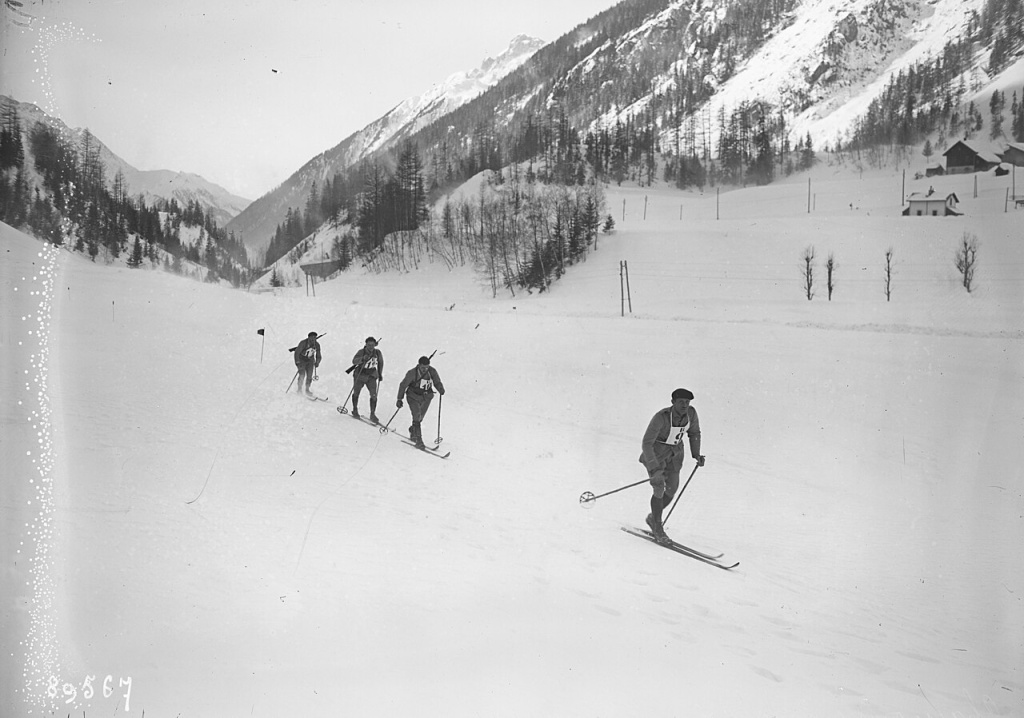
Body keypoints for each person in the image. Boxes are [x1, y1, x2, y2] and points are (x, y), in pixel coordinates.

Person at [639, 388, 704, 544]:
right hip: (656, 454)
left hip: (675, 455)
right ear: (673, 402)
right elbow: (647, 443)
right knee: (659, 487)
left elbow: (694, 433)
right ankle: (658, 528)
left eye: (687, 402)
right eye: (681, 402)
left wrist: (697, 454)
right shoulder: (661, 418)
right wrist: (654, 468)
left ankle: (653, 518)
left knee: (672, 489)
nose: (684, 405)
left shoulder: (691, 414)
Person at [396, 355, 445, 448]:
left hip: (426, 397)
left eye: (427, 367)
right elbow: (403, 385)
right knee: (417, 415)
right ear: (418, 365)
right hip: (413, 396)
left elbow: (437, 381)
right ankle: (419, 440)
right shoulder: (412, 373)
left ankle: (413, 430)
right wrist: (399, 399)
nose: (425, 369)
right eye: (423, 367)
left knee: (420, 417)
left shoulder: (432, 371)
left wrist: (440, 388)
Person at [350, 336, 384, 421]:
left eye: (372, 345)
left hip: (371, 375)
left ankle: (372, 414)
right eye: (369, 345)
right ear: (366, 344)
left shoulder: (377, 353)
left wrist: (380, 374)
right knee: (356, 392)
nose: (371, 347)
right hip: (360, 374)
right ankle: (355, 409)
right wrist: (362, 359)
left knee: (374, 395)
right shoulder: (361, 352)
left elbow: (380, 363)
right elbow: (354, 361)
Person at [293, 331, 321, 396]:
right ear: (308, 337)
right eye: (312, 337)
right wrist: (297, 362)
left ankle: (307, 389)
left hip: (310, 361)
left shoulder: (317, 345)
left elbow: (318, 354)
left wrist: (317, 362)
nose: (313, 339)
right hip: (301, 360)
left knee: (309, 375)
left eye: (314, 338)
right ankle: (299, 389)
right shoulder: (303, 343)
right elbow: (297, 352)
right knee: (302, 374)